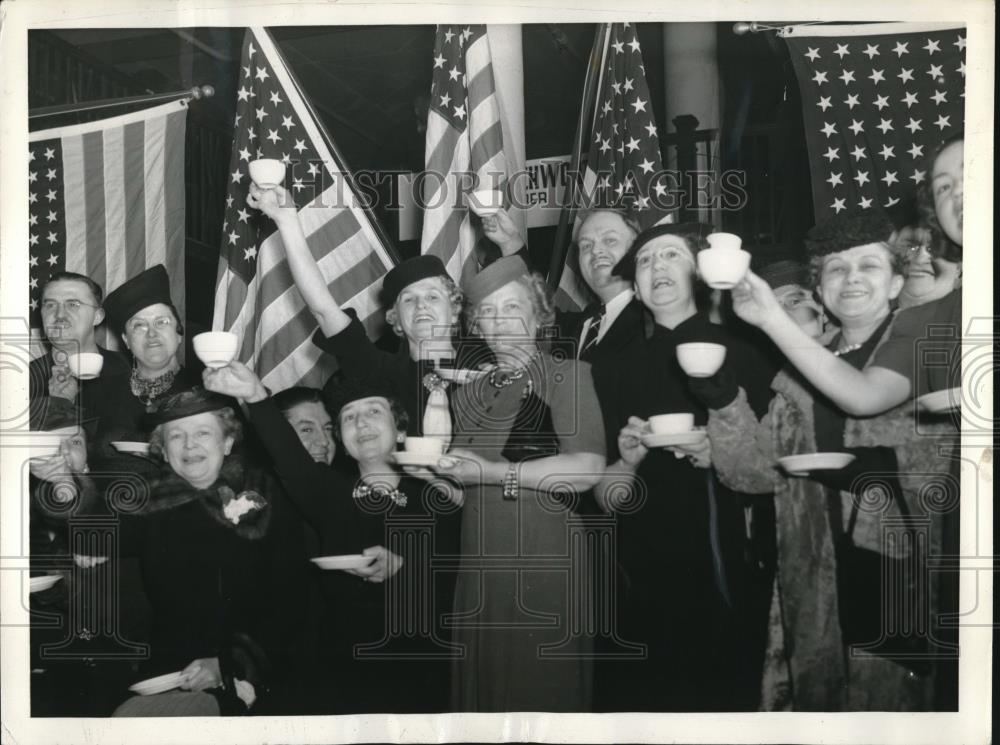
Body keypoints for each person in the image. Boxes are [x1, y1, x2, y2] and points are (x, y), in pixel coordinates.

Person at [697, 209, 954, 710]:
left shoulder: (925, 349)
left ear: (898, 281)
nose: (851, 278)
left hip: (897, 581)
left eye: (869, 266)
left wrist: (880, 473)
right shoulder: (801, 370)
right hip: (808, 585)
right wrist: (721, 398)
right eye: (836, 268)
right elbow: (750, 474)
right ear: (820, 290)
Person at [203, 364, 459, 713]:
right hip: (345, 673)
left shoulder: (442, 495)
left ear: (400, 429)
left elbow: (460, 577)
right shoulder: (330, 493)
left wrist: (405, 568)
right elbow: (290, 457)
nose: (361, 423)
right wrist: (256, 398)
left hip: (424, 669)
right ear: (343, 439)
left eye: (373, 411)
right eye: (349, 418)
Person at [592, 222, 771, 711]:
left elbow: (777, 462)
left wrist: (722, 454)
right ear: (635, 285)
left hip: (728, 542)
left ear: (696, 271)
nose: (656, 268)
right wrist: (625, 462)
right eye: (645, 261)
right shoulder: (611, 367)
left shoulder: (746, 349)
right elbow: (605, 496)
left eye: (670, 255)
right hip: (643, 556)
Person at [416, 255, 605, 712]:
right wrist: (435, 476)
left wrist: (496, 473)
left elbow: (588, 468)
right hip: (480, 563)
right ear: (476, 326)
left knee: (538, 694)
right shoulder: (469, 394)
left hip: (544, 561)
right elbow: (469, 491)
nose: (498, 323)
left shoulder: (566, 376)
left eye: (511, 308)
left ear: (539, 312)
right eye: (488, 314)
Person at [72, 389, 307, 716]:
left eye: (203, 433)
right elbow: (88, 533)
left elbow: (294, 602)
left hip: (259, 668)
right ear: (163, 451)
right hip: (170, 671)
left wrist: (229, 664)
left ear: (226, 443)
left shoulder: (266, 495)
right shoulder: (151, 501)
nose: (189, 445)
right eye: (176, 436)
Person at [728, 134, 964, 414]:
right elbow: (866, 397)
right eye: (944, 187)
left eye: (971, 172)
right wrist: (771, 318)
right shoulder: (926, 321)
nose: (958, 192)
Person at [246, 183, 479, 438]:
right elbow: (323, 309)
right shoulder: (377, 372)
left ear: (455, 309)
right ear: (395, 319)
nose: (421, 305)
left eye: (432, 296)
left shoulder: (487, 364)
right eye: (408, 300)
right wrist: (287, 221)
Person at [98, 264, 201, 447]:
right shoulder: (101, 392)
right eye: (139, 325)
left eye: (162, 322)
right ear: (126, 340)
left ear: (178, 333)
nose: (152, 334)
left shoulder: (205, 391)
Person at [29, 272, 129, 428]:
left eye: (73, 304)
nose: (59, 314)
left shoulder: (129, 368)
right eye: (50, 305)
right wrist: (58, 405)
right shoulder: (22, 379)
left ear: (97, 316)